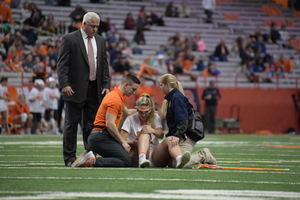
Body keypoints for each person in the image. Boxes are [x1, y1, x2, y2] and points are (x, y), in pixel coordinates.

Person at [57, 12, 110, 167]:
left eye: (97, 27)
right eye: (92, 26)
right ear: (84, 23)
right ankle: (69, 158)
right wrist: (64, 84)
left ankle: (90, 156)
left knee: (93, 126)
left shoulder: (100, 40)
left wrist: (106, 85)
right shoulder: (69, 39)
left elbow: (104, 65)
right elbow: (62, 64)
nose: (95, 29)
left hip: (95, 90)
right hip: (73, 89)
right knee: (71, 125)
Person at [72, 73, 140, 168]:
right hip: (101, 137)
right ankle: (92, 161)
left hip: (100, 136)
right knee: (125, 161)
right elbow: (110, 124)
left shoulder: (115, 95)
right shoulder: (115, 99)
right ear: (126, 85)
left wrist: (143, 110)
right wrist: (123, 142)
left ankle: (90, 158)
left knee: (126, 159)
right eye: (133, 89)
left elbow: (127, 112)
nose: (134, 92)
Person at [151, 74, 216, 168]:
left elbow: (183, 120)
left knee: (176, 164)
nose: (160, 88)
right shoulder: (172, 98)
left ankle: (204, 154)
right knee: (165, 163)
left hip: (186, 135)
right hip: (179, 134)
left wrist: (177, 136)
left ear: (167, 85)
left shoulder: (176, 98)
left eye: (161, 85)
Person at [120, 93, 164, 167]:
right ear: (136, 109)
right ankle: (142, 158)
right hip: (136, 153)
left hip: (154, 154)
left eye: (146, 112)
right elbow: (121, 141)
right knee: (144, 132)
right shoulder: (131, 118)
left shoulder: (155, 116)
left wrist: (152, 130)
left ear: (150, 109)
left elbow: (161, 135)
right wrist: (133, 142)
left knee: (169, 140)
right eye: (140, 112)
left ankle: (178, 158)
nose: (143, 115)